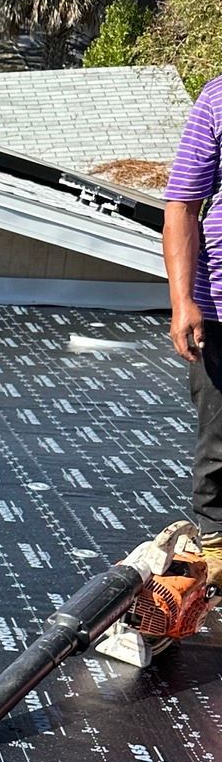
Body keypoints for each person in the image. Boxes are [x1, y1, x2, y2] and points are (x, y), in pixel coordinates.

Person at [163, 83, 222, 590]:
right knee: (219, 446)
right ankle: (217, 552)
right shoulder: (218, 101)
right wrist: (183, 301)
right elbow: (182, 206)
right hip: (220, 307)